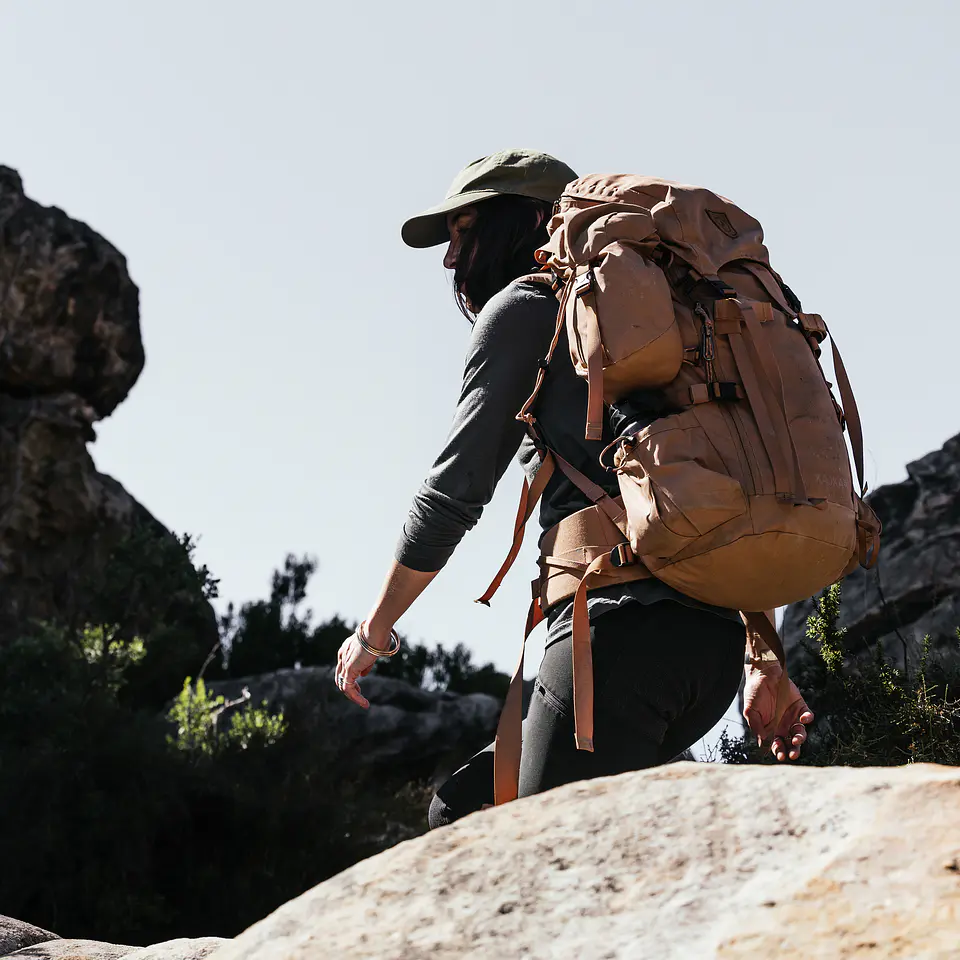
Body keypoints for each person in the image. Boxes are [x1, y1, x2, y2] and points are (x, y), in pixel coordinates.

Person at [334, 149, 814, 827]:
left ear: (525, 223)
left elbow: (453, 493)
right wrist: (763, 657)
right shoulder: (661, 322)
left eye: (464, 232)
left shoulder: (530, 309)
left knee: (538, 861)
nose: (450, 260)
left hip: (616, 636)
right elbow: (725, 483)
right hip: (707, 649)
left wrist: (373, 633)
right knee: (465, 814)